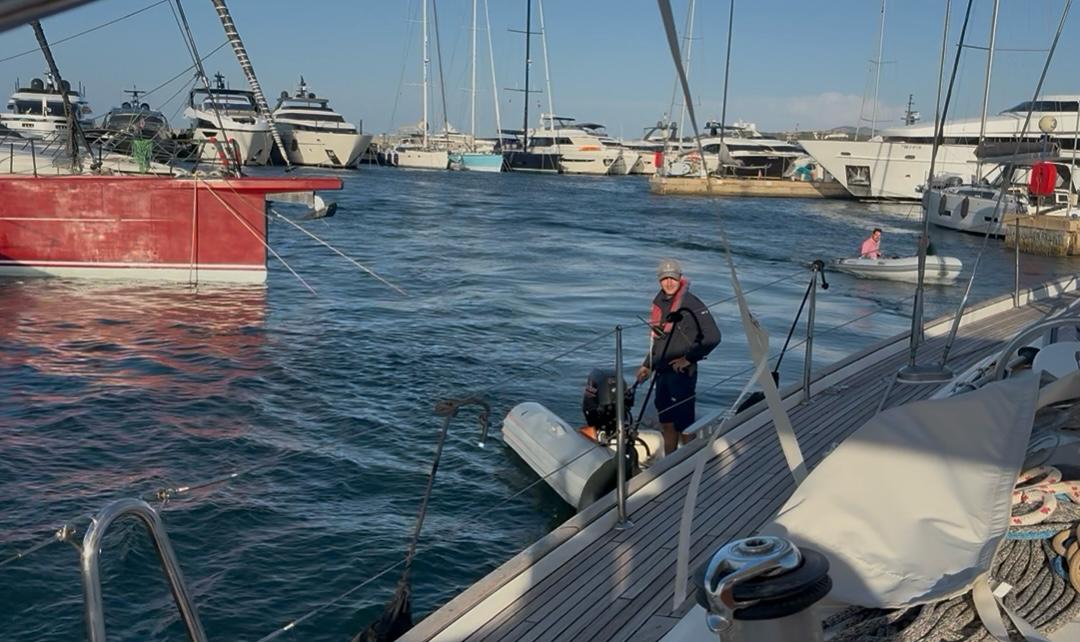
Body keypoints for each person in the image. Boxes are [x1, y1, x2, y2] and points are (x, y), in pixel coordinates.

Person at [635, 259, 721, 455]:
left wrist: (688, 359)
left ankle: (688, 461)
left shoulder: (691, 303)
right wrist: (647, 365)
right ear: (659, 280)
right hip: (662, 372)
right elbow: (660, 340)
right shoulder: (660, 303)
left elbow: (713, 337)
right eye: (664, 278)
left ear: (680, 278)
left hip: (682, 374)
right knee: (666, 422)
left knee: (684, 425)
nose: (669, 283)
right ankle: (670, 461)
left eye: (672, 278)